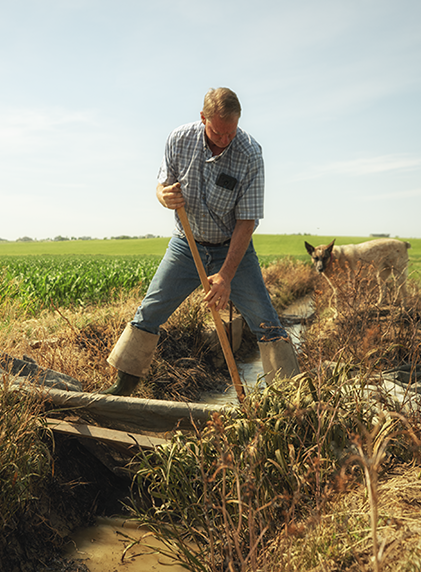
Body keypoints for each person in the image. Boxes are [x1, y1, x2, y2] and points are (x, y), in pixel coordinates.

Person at [102, 87, 300, 396]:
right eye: (218, 132)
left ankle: (290, 399)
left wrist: (226, 276)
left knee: (266, 324)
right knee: (149, 312)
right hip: (186, 245)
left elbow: (247, 222)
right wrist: (163, 195)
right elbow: (162, 185)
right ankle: (122, 388)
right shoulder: (179, 140)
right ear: (202, 118)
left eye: (231, 132)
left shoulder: (249, 153)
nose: (224, 139)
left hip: (232, 247)